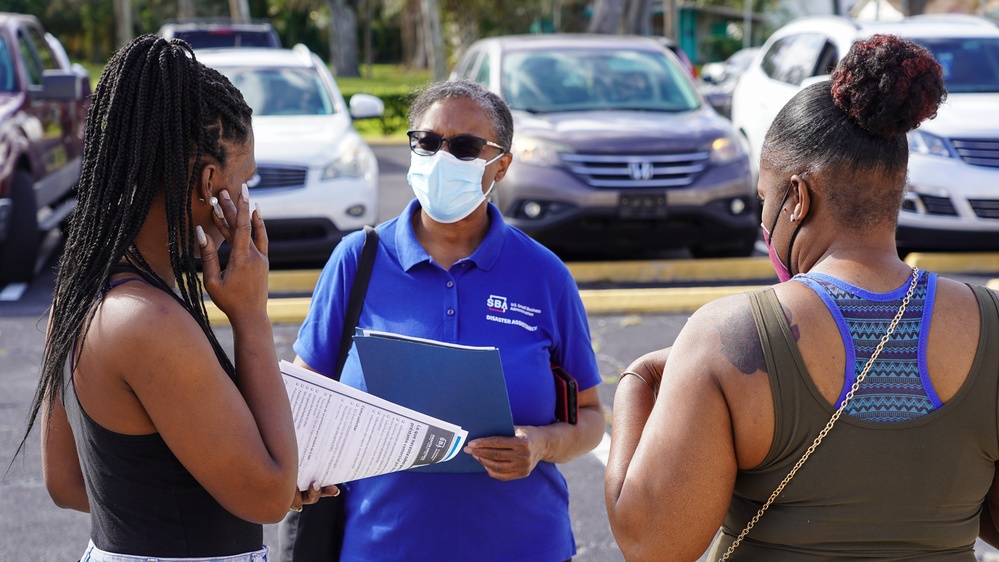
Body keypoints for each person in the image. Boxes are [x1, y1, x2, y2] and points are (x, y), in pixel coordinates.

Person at [605, 35, 999, 560]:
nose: (762, 219)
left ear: (797, 199)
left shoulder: (731, 335)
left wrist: (637, 380)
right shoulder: (990, 322)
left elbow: (650, 542)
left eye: (764, 199)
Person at [21, 35, 325, 562]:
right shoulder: (150, 323)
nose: (247, 196)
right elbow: (272, 496)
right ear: (209, 181)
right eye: (244, 178)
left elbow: (68, 483)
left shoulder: (81, 297)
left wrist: (233, 468)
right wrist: (251, 315)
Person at [286, 79, 606, 562]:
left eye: (464, 147)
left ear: (501, 164)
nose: (441, 159)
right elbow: (305, 400)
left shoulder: (544, 274)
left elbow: (591, 417)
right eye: (428, 142)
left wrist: (541, 444)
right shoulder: (358, 260)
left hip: (522, 546)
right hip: (380, 546)